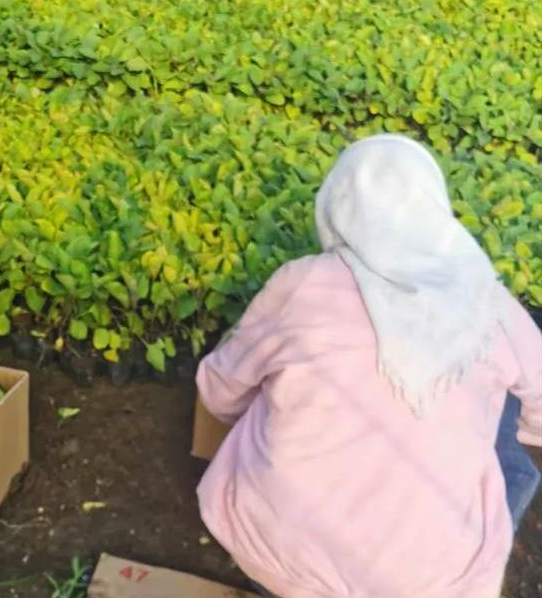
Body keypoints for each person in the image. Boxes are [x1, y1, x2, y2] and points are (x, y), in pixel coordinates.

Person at [196, 134, 541, 598]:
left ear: (339, 206)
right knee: (506, 439)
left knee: (270, 387)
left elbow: (219, 392)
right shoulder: (490, 306)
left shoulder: (303, 282)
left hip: (274, 557)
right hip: (427, 586)